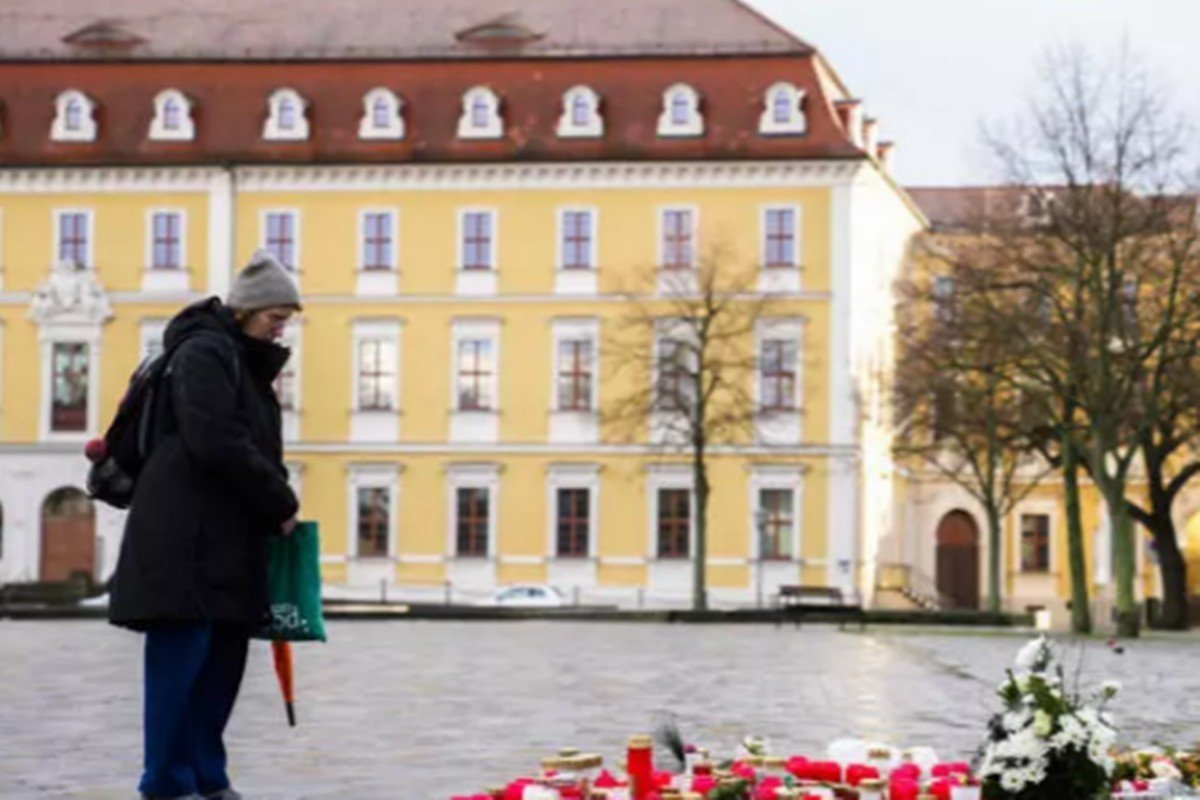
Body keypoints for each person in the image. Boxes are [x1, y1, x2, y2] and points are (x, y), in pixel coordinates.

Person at [109, 250, 302, 800]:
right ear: (247, 310)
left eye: (286, 317)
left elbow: (243, 444)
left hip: (224, 541)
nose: (281, 326)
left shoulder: (240, 359)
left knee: (219, 670)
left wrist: (269, 500)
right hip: (182, 540)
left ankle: (207, 778)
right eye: (275, 315)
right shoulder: (203, 352)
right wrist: (279, 500)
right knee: (179, 672)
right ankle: (168, 784)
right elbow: (215, 439)